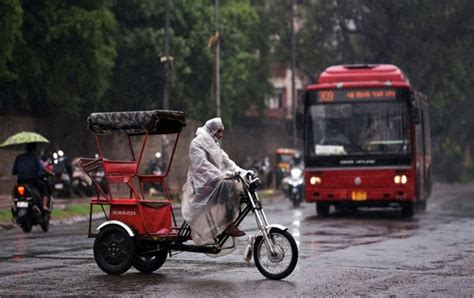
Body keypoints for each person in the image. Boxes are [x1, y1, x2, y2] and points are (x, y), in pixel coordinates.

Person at [181, 118, 250, 245]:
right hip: (200, 184)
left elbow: (228, 163)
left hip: (214, 181)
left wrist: (244, 172)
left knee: (237, 189)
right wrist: (221, 175)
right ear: (211, 130)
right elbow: (201, 166)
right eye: (218, 131)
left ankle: (226, 223)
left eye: (221, 131)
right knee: (229, 187)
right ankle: (228, 226)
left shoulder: (214, 145)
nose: (221, 135)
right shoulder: (197, 143)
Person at [12, 143, 50, 212]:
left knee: (15, 192)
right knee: (44, 187)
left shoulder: (19, 157)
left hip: (21, 182)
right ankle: (44, 206)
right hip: (33, 182)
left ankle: (15, 207)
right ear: (34, 149)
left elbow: (13, 172)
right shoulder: (35, 157)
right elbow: (40, 170)